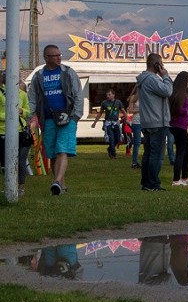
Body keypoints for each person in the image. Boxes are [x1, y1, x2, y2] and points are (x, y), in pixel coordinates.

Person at [28, 44, 84, 196]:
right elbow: (32, 98)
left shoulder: (67, 72)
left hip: (67, 117)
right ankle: (61, 186)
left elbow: (78, 94)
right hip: (47, 119)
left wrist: (76, 116)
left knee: (62, 149)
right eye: (56, 55)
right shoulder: (39, 75)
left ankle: (57, 181)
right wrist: (30, 116)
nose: (59, 57)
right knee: (52, 153)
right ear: (46, 57)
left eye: (60, 54)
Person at [137, 53, 174, 192]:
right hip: (157, 122)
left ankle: (146, 182)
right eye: (161, 64)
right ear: (157, 65)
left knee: (148, 154)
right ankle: (152, 183)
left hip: (147, 121)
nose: (163, 66)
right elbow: (168, 91)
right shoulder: (151, 79)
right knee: (156, 155)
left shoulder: (143, 79)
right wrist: (165, 76)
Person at [0, 70, 32, 198]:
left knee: (21, 160)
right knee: (5, 162)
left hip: (21, 131)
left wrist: (21, 111)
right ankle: (8, 186)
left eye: (17, 78)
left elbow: (28, 112)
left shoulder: (22, 94)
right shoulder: (1, 93)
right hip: (3, 131)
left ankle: (20, 187)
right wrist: (9, 114)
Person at [90, 88, 128, 159]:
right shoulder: (104, 103)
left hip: (116, 123)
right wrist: (95, 123)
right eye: (107, 95)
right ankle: (113, 154)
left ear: (113, 95)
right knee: (111, 138)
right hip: (108, 123)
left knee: (118, 138)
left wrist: (127, 119)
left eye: (109, 94)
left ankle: (110, 148)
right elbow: (100, 113)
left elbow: (123, 111)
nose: (108, 96)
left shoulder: (118, 102)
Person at [126, 86, 143, 169]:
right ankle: (134, 162)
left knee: (148, 141)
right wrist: (140, 110)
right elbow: (130, 110)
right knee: (137, 142)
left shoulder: (147, 96)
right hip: (136, 121)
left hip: (146, 121)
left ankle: (146, 161)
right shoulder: (134, 97)